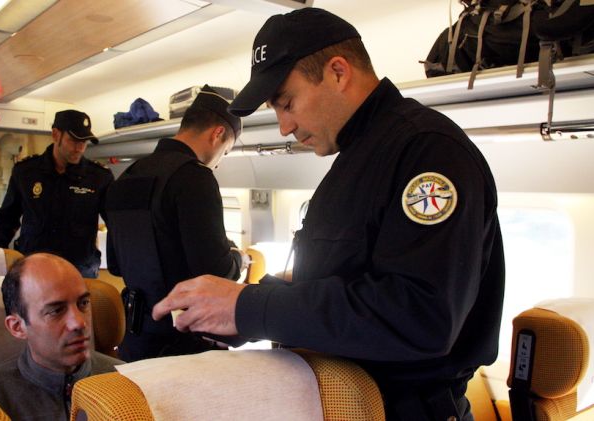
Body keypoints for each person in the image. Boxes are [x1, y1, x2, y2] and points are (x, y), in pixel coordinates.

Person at [152, 8, 505, 421]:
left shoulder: (426, 150)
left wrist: (251, 308)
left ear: (338, 72)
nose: (284, 126)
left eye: (287, 103)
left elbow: (419, 315)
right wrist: (237, 310)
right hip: (340, 403)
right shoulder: (354, 159)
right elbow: (347, 280)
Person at [105, 85, 248, 362]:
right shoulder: (194, 178)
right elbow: (215, 272)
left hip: (133, 337)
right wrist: (237, 258)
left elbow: (116, 264)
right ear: (218, 133)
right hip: (183, 340)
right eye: (226, 151)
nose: (219, 162)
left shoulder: (126, 176)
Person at [0, 253, 122, 421]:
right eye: (56, 311)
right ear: (17, 327)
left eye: (83, 304)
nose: (79, 323)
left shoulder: (127, 381)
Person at [0, 110, 114, 277]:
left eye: (84, 142)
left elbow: (116, 224)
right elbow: (6, 220)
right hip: (34, 267)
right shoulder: (26, 172)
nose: (80, 148)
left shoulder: (98, 178)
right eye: (74, 141)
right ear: (56, 135)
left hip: (79, 269)